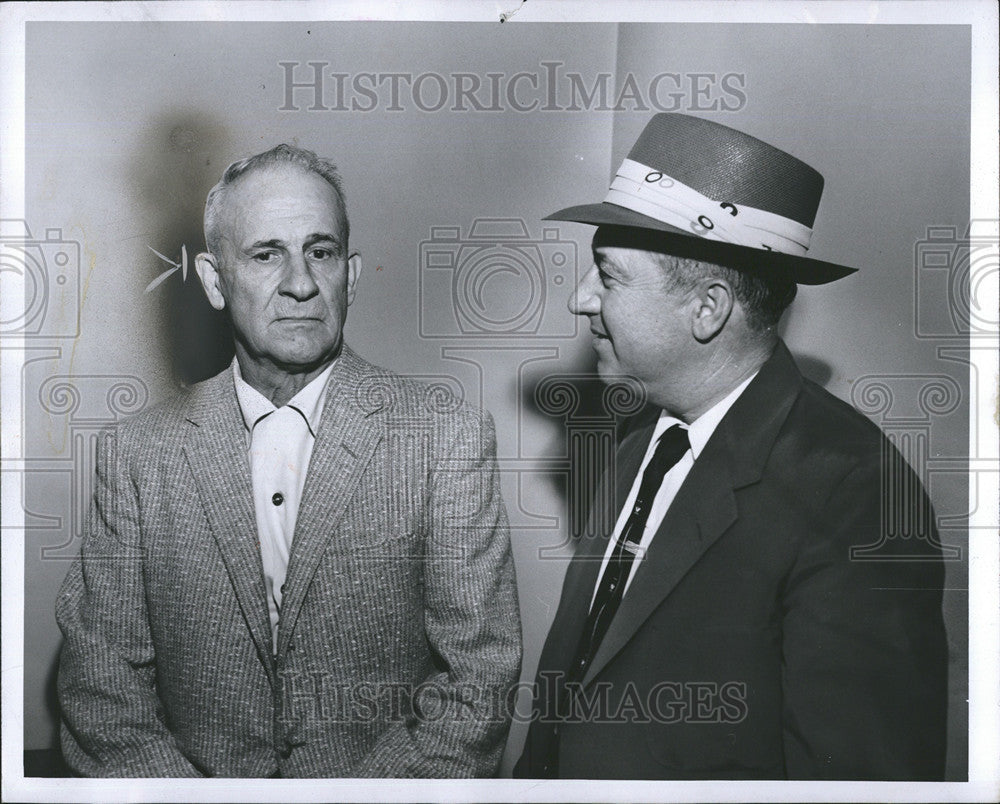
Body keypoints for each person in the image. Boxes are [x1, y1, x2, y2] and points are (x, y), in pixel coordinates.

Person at [56, 144, 521, 777]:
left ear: (350, 277)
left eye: (321, 252)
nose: (300, 283)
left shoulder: (444, 437)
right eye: (266, 254)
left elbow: (478, 679)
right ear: (216, 282)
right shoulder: (138, 454)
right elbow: (101, 688)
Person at [515, 113, 948, 780]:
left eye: (608, 274)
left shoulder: (855, 492)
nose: (581, 300)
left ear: (708, 309)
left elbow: (860, 781)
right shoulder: (640, 442)